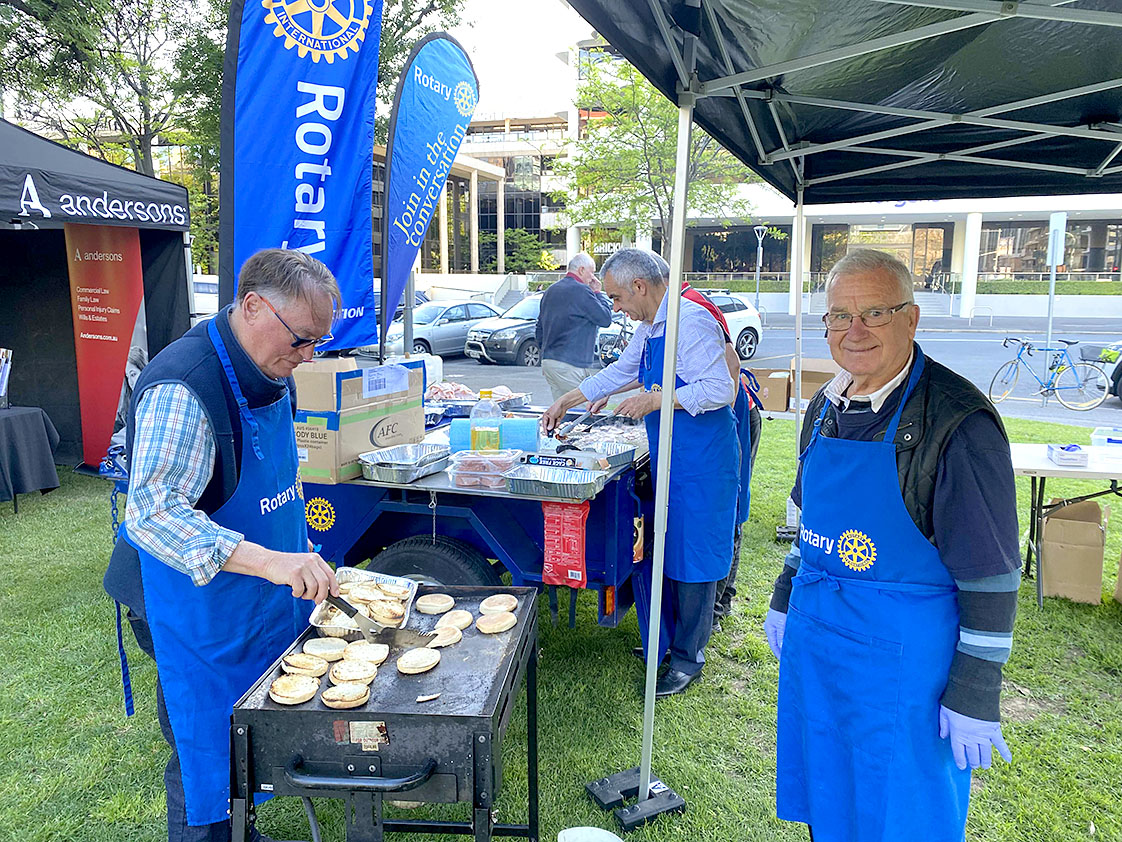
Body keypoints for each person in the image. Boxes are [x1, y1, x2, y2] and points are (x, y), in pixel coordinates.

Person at [764, 249, 1019, 841]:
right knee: (829, 794)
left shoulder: (958, 424)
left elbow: (992, 576)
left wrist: (976, 691)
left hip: (904, 669)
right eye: (838, 316)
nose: (854, 331)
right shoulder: (824, 406)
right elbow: (807, 517)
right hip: (820, 646)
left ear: (912, 317)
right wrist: (784, 594)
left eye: (875, 312)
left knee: (901, 813)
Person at [103, 249, 342, 842]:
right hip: (185, 600)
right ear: (255, 306)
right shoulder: (183, 385)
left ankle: (241, 828)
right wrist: (270, 561)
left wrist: (300, 550)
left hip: (258, 589)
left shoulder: (271, 369)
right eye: (301, 340)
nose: (308, 356)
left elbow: (272, 485)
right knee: (207, 747)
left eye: (318, 343)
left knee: (252, 734)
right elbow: (153, 513)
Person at [542, 248, 737, 697]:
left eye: (615, 297)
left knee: (696, 554)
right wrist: (567, 399)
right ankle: (665, 640)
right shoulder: (651, 325)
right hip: (671, 451)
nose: (614, 307)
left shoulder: (690, 321)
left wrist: (655, 399)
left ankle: (689, 657)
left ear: (640, 287)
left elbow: (719, 389)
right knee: (667, 546)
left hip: (704, 458)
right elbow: (623, 370)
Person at [536, 251, 613, 400]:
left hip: (550, 362)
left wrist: (546, 354)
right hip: (570, 363)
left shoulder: (551, 290)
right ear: (581, 270)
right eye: (591, 272)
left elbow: (539, 329)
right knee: (586, 408)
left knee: (563, 411)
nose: (592, 278)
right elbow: (605, 319)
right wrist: (598, 292)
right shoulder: (582, 291)